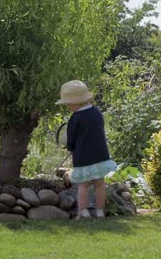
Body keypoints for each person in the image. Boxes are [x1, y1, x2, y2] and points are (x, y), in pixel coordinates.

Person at [55, 80, 116, 219]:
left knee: (83, 185)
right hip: (100, 155)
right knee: (100, 184)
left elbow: (71, 138)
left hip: (83, 156)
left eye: (69, 104)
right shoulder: (97, 112)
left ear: (77, 102)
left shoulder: (75, 118)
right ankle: (100, 211)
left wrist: (70, 148)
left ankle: (83, 212)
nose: (69, 107)